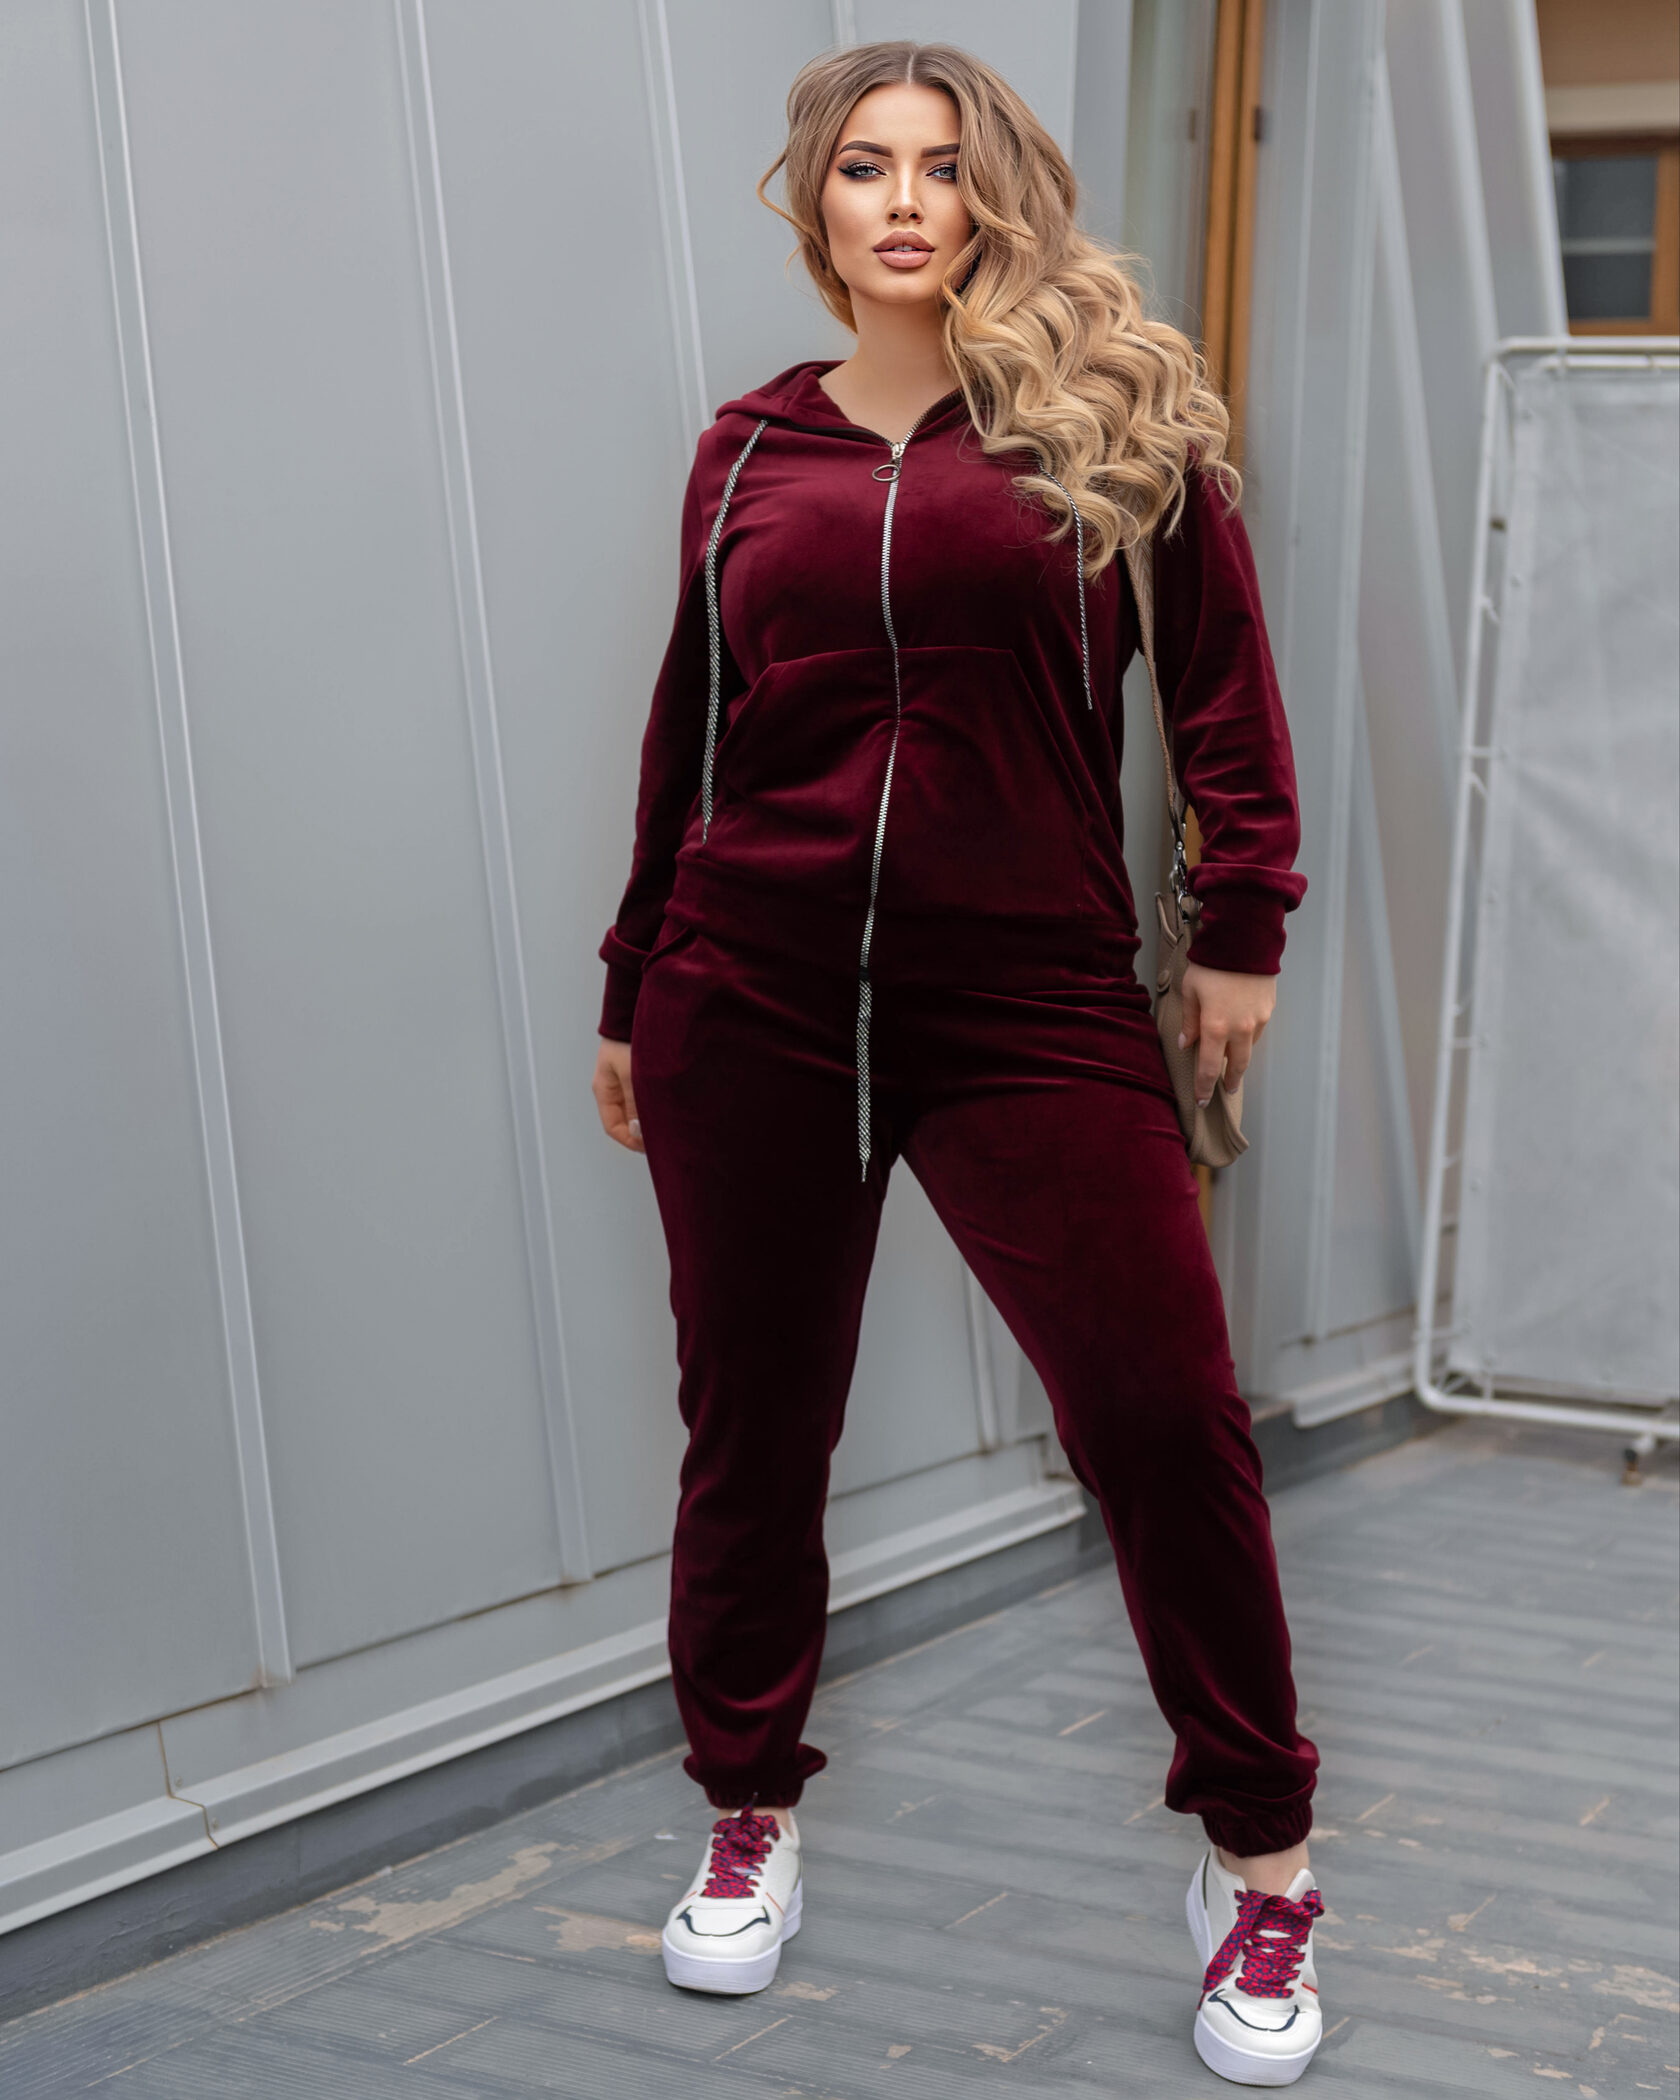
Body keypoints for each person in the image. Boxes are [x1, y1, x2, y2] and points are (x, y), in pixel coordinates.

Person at [591, 40, 1325, 2088]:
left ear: (998, 195)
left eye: (939, 167)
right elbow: (693, 728)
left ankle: (1262, 1861)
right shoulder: (748, 450)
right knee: (753, 1432)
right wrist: (631, 978)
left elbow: (1227, 702)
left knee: (1164, 1420)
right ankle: (749, 1808)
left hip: (1032, 1001)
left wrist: (1242, 925)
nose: (903, 202)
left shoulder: (1109, 417)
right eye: (863, 169)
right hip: (749, 995)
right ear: (815, 204)